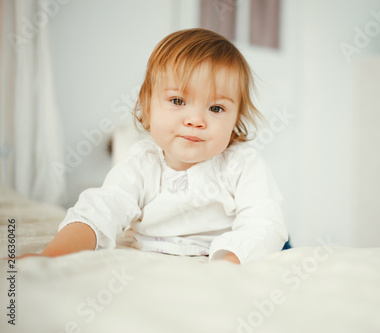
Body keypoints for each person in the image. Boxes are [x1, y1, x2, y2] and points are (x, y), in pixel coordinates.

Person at [30, 28, 288, 264]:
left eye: (216, 108)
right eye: (177, 101)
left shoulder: (242, 163)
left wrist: (227, 263)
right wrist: (51, 257)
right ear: (148, 106)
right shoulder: (143, 162)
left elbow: (265, 224)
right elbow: (102, 208)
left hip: (227, 253)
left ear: (236, 119)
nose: (195, 120)